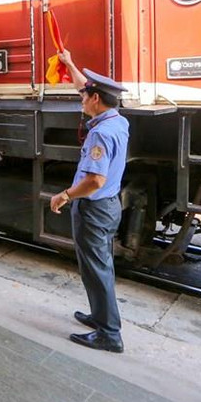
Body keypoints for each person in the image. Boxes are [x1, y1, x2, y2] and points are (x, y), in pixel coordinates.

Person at [49, 49, 129, 353]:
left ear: (96, 100)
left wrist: (65, 195)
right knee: (98, 265)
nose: (80, 98)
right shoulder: (117, 122)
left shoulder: (100, 134)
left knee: (97, 268)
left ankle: (110, 334)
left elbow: (95, 180)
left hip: (94, 208)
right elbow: (87, 87)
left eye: (85, 96)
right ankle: (99, 316)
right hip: (108, 208)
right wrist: (70, 64)